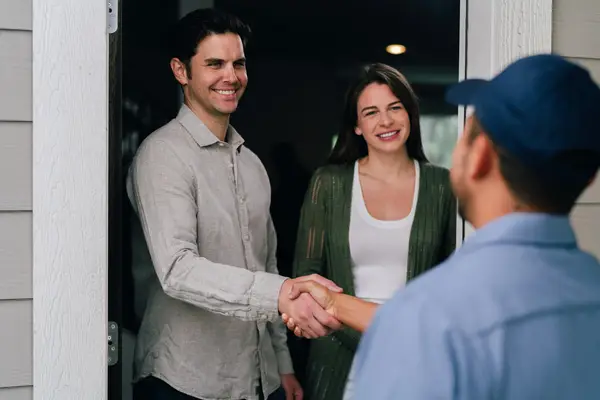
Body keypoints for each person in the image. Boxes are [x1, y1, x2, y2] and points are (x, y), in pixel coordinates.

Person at [288, 54, 600, 399]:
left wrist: (335, 305)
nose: (385, 120)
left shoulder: (432, 313)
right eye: (371, 112)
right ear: (590, 177)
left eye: (470, 131)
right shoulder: (590, 290)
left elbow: (413, 327)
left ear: (478, 155)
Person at [127, 9, 342, 400]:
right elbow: (177, 269)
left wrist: (284, 365)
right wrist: (279, 294)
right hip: (183, 381)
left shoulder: (253, 165)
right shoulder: (161, 155)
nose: (231, 76)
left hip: (259, 380)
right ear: (181, 71)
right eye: (214, 64)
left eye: (238, 64)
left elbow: (268, 267)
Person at [292, 63, 457, 400]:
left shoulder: (442, 186)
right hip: (339, 367)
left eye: (395, 108)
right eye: (371, 112)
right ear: (356, 126)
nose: (386, 121)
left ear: (410, 114)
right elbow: (305, 279)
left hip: (418, 364)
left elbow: (455, 282)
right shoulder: (328, 184)